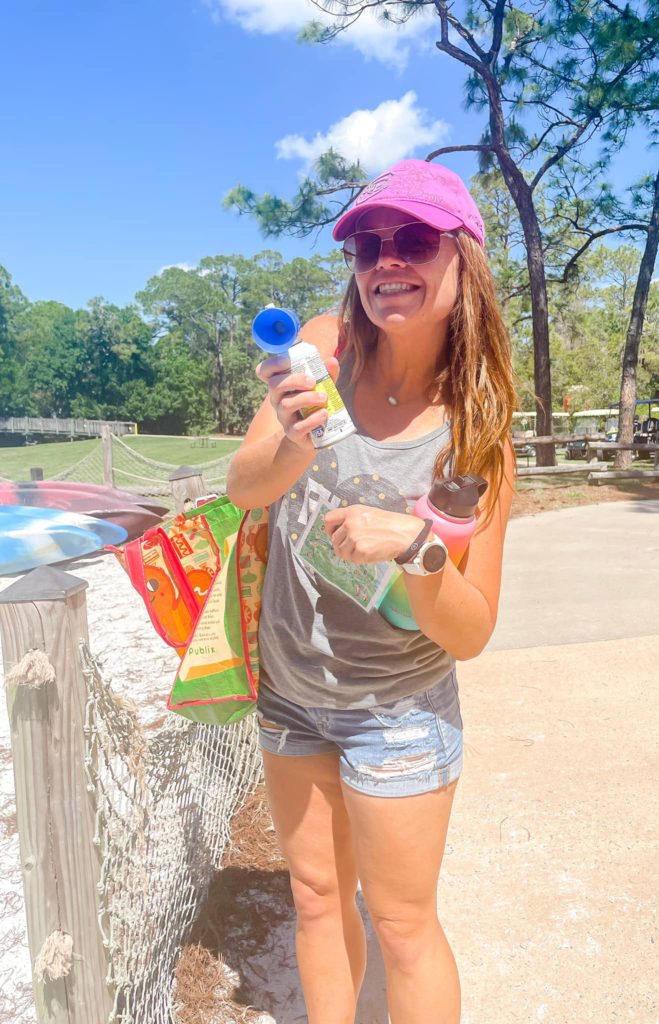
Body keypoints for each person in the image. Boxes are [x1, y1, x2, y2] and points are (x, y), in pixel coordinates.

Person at [227, 158, 517, 1024]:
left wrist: (420, 548)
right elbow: (247, 489)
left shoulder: (477, 431)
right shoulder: (324, 346)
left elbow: (469, 633)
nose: (387, 260)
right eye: (367, 244)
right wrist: (290, 442)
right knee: (316, 899)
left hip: (398, 709)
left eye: (415, 240)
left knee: (400, 922)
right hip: (289, 692)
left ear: (463, 256)